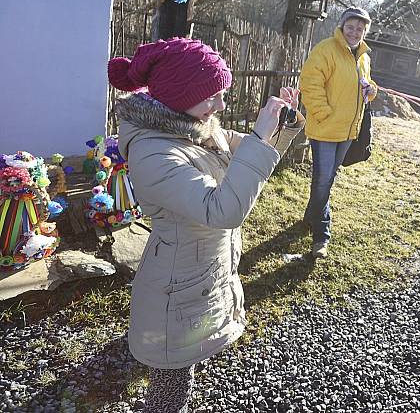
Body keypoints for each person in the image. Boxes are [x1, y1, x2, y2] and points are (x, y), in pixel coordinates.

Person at [107, 37, 304, 413]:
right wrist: (262, 138)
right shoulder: (154, 152)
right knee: (172, 380)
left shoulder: (196, 126)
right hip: (175, 287)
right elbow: (223, 210)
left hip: (202, 272)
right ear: (178, 96)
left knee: (184, 359)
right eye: (212, 95)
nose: (222, 105)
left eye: (222, 92)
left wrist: (283, 127)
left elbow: (242, 150)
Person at [299, 7, 378, 258]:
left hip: (348, 131)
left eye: (360, 29)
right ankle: (321, 235)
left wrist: (371, 90)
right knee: (324, 180)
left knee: (327, 177)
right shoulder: (326, 50)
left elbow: (366, 87)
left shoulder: (364, 57)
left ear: (365, 32)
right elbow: (310, 84)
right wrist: (323, 114)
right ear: (342, 26)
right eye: (351, 27)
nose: (355, 32)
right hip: (325, 129)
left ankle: (311, 215)